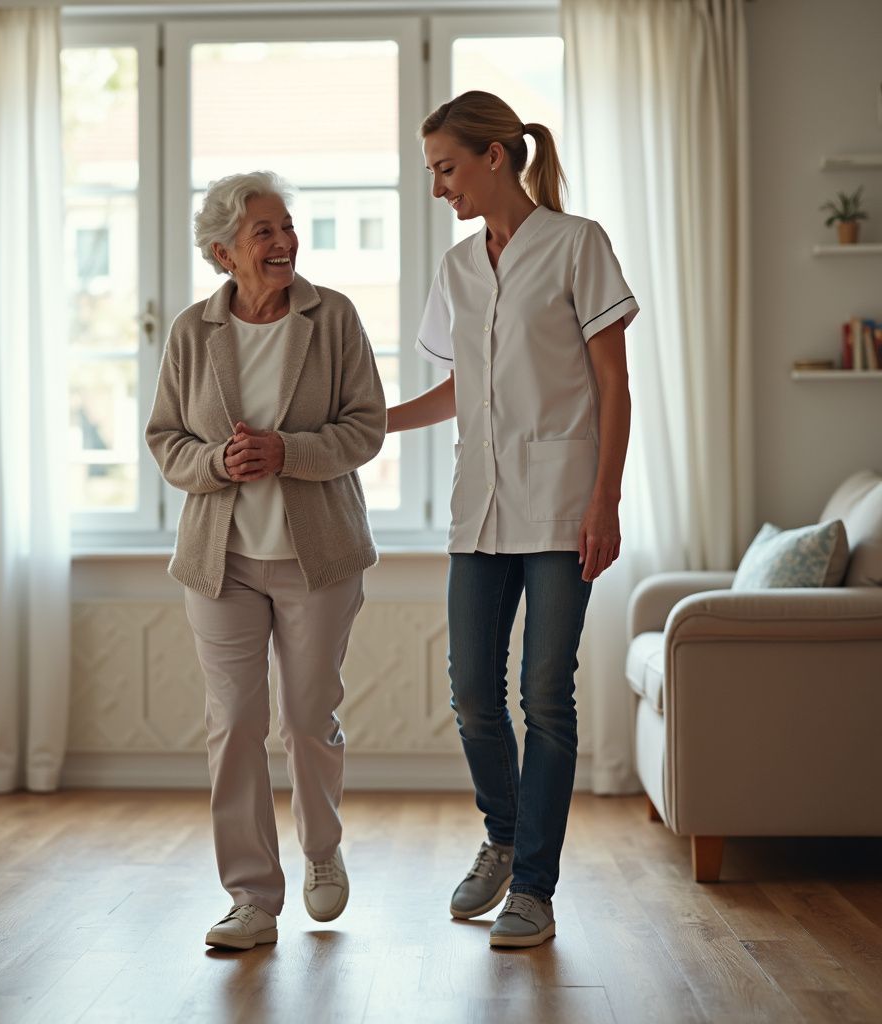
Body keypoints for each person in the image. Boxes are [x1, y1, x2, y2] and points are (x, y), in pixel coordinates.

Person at [387, 91, 637, 949]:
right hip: (479, 510)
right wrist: (373, 423)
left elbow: (613, 384)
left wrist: (604, 500)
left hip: (564, 506)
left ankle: (534, 886)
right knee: (470, 697)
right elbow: (462, 388)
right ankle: (502, 836)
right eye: (431, 173)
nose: (438, 188)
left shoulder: (578, 245)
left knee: (545, 698)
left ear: (497, 157)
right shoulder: (459, 268)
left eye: (447, 169)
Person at [146, 171, 386, 952]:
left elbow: (365, 428)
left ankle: (321, 852)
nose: (283, 242)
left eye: (286, 227)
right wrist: (219, 463)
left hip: (317, 558)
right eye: (264, 233)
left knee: (307, 716)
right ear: (224, 253)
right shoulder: (192, 332)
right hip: (222, 564)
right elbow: (166, 440)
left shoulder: (334, 317)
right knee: (234, 724)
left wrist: (289, 452)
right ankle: (251, 897)